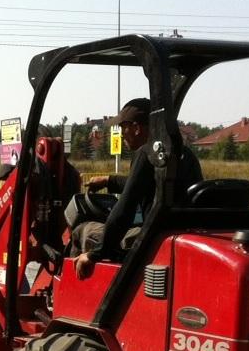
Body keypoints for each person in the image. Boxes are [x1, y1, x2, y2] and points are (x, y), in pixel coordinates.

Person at [73, 97, 202, 279]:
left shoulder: (147, 153)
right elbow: (151, 184)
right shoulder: (184, 155)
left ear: (136, 127)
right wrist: (109, 180)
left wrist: (95, 254)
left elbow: (124, 211)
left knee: (82, 229)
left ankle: (74, 293)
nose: (122, 133)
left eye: (122, 127)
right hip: (175, 233)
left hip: (150, 238)